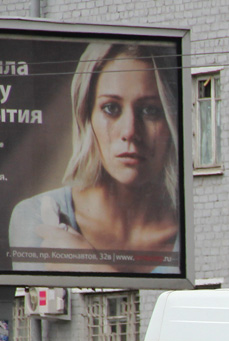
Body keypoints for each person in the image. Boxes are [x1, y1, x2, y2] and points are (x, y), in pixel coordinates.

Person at [7, 42, 180, 272]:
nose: (129, 132)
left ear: (170, 119)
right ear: (85, 116)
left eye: (150, 110)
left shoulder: (186, 231)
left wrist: (91, 265)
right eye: (111, 108)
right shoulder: (37, 217)